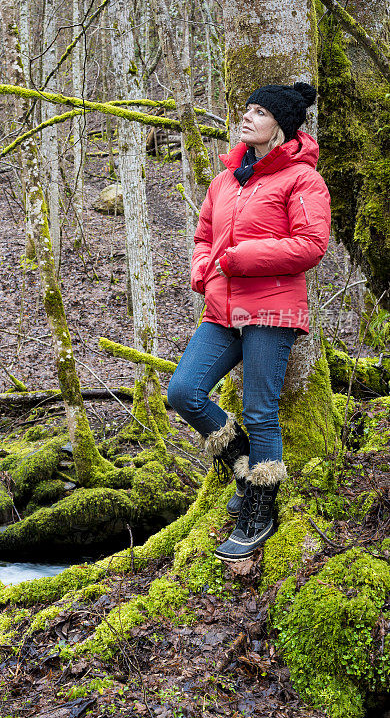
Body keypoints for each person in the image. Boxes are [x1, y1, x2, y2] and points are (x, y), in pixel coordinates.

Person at [167, 82, 331, 562]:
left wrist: (239, 258)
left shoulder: (302, 180)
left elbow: (310, 245)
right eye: (246, 108)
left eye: (259, 111)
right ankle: (243, 465)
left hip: (273, 310)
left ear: (279, 124)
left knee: (261, 412)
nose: (247, 116)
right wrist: (203, 268)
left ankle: (259, 509)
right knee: (183, 392)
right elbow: (203, 235)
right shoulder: (225, 180)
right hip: (222, 310)